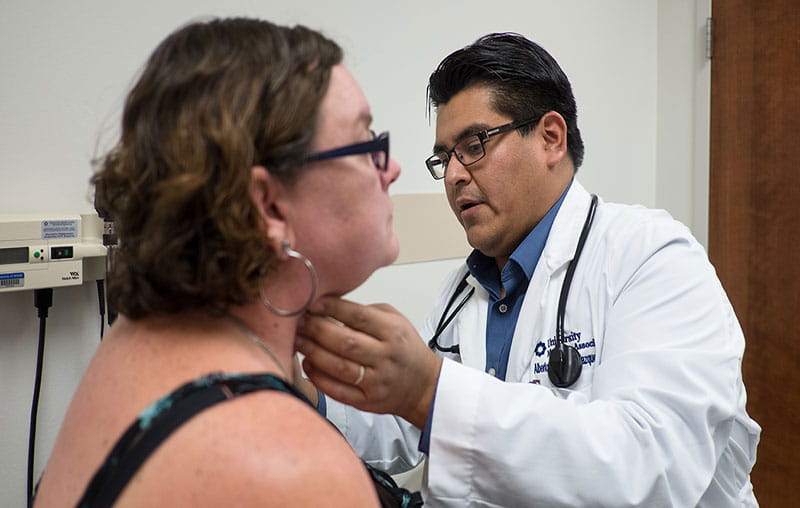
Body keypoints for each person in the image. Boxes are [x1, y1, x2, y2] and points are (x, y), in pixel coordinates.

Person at [296, 33, 761, 507]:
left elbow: (648, 467)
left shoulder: (652, 257)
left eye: (474, 144)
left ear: (550, 138)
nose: (454, 174)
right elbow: (410, 423)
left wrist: (430, 391)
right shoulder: (464, 291)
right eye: (444, 157)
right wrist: (310, 397)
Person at [32, 17, 419, 508]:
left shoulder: (137, 341)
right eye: (367, 145)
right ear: (270, 205)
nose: (392, 169)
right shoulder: (287, 466)